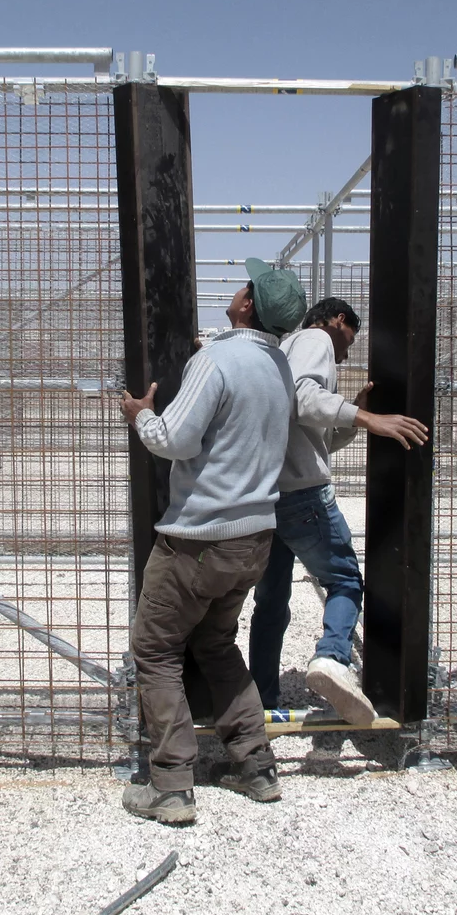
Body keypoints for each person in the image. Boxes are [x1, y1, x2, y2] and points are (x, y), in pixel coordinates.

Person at [118, 258, 306, 825]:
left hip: (197, 540)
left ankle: (171, 786)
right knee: (217, 646)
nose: (237, 289)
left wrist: (140, 416)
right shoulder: (277, 364)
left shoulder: (216, 359)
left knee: (154, 649)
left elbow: (175, 440)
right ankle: (256, 767)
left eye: (243, 286)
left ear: (248, 305)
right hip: (254, 538)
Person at [249, 297, 429, 724]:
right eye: (350, 339)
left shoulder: (282, 349)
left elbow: (317, 437)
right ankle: (331, 658)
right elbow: (305, 400)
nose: (347, 352)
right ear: (338, 320)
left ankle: (261, 700)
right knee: (345, 580)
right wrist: (370, 420)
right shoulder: (316, 339)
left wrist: (352, 412)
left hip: (267, 496)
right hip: (303, 497)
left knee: (271, 602)